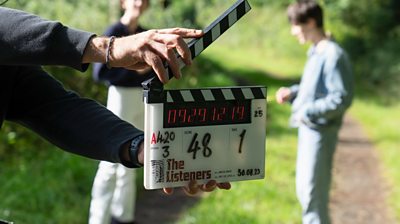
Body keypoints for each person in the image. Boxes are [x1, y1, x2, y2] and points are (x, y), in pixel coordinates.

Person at [0, 6, 231, 198]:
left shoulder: (11, 71)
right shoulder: (115, 31)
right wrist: (109, 48)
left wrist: (142, 148)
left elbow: (59, 110)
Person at [275, 1, 353, 223]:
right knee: (305, 193)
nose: (293, 31)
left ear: (310, 22)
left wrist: (305, 111)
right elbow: (314, 89)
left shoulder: (333, 55)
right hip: (308, 131)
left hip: (320, 133)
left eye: (295, 25)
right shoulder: (316, 51)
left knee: (313, 197)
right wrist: (293, 93)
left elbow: (340, 99)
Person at [88, 0, 152, 223]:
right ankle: (98, 219)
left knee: (134, 159)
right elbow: (100, 73)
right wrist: (135, 72)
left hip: (142, 100)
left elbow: (152, 72)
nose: (139, 2)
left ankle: (123, 217)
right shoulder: (114, 32)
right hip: (120, 98)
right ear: (123, 2)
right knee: (110, 162)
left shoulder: (145, 34)